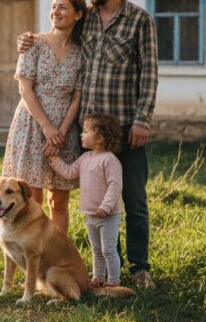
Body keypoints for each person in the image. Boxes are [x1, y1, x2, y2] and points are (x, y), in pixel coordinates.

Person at [18, 0, 159, 289]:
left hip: (126, 127)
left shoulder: (140, 20)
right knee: (95, 203)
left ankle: (140, 269)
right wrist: (27, 40)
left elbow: (150, 74)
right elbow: (57, 30)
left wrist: (143, 120)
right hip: (91, 134)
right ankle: (109, 270)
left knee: (134, 200)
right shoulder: (87, 19)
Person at [1, 0, 87, 235]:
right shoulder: (33, 43)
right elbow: (25, 89)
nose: (55, 12)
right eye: (53, 6)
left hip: (64, 130)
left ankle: (55, 254)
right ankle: (31, 254)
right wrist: (47, 128)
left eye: (62, 7)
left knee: (58, 201)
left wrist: (60, 132)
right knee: (32, 200)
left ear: (78, 15)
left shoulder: (82, 52)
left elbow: (77, 97)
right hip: (32, 124)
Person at [47, 113, 124, 288]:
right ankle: (97, 278)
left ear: (100, 138)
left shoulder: (110, 160)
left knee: (108, 250)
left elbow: (115, 185)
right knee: (96, 250)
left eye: (86, 131)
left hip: (108, 216)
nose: (81, 135)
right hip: (91, 214)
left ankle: (114, 280)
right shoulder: (85, 158)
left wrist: (106, 206)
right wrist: (54, 158)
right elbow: (69, 172)